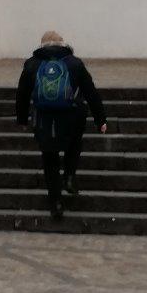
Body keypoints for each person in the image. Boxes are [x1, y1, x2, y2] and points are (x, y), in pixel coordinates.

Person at [14, 30, 108, 222]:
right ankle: (70, 176)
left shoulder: (32, 64)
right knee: (74, 145)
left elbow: (22, 94)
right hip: (72, 116)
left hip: (44, 119)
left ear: (42, 45)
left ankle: (56, 203)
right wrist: (101, 119)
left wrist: (22, 119)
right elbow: (91, 92)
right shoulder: (74, 63)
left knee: (50, 160)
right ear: (62, 44)